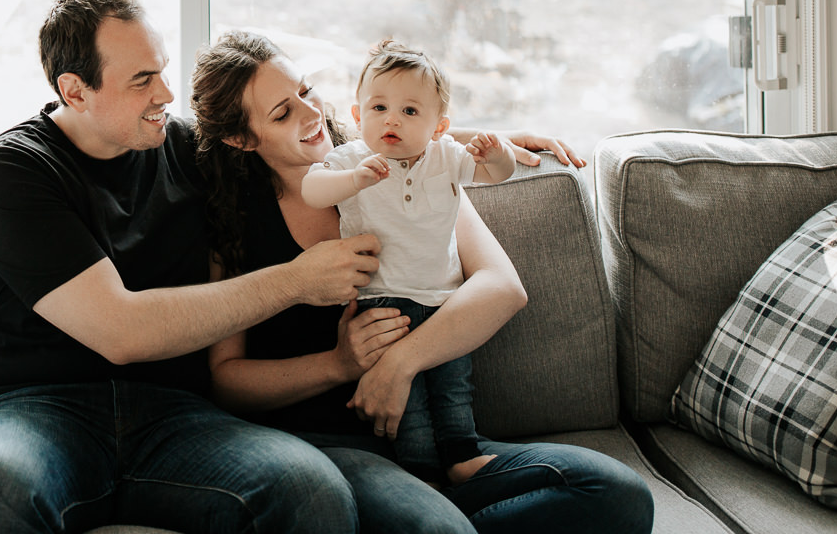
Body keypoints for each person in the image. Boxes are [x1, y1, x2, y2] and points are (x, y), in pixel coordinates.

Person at [0, 0, 379, 533]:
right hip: (35, 410)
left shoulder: (191, 152)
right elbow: (121, 331)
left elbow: (307, 144)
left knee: (311, 490)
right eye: (142, 80)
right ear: (75, 91)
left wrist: (454, 141)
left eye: (163, 69)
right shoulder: (14, 172)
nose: (168, 93)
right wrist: (293, 282)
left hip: (176, 416)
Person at [192, 30, 654, 534]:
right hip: (337, 447)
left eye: (305, 91)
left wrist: (398, 365)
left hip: (445, 441)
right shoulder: (236, 222)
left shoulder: (413, 167)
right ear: (241, 138)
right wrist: (340, 364)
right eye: (281, 113)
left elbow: (501, 288)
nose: (309, 114)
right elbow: (227, 382)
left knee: (618, 494)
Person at [303, 40, 516, 485]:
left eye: (410, 111)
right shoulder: (351, 159)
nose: (392, 119)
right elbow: (312, 191)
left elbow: (498, 174)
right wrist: (352, 180)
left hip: (445, 302)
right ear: (358, 116)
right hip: (382, 304)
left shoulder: (447, 158)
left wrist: (498, 155)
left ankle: (462, 457)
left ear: (440, 127)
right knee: (411, 405)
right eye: (378, 107)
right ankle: (420, 472)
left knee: (453, 389)